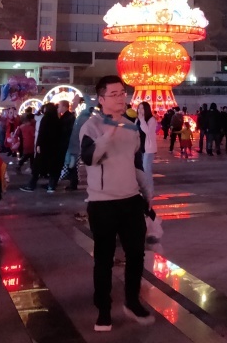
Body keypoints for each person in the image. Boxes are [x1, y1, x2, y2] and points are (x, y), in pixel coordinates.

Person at [79, 76, 154, 331]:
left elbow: (134, 163)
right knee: (104, 258)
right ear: (101, 99)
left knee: (136, 254)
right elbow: (89, 158)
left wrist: (147, 192)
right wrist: (108, 133)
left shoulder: (132, 127)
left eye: (123, 92)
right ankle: (103, 308)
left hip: (131, 201)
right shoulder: (90, 127)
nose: (122, 97)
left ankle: (132, 301)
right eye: (114, 94)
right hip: (103, 204)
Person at [22, 103, 63, 192]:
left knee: (37, 166)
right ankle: (51, 186)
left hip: (44, 147)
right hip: (54, 147)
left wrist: (38, 145)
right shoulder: (57, 119)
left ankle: (31, 185)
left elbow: (42, 133)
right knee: (52, 167)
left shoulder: (45, 118)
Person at [137, 102, 158, 178]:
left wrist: (142, 120)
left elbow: (147, 131)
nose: (140, 110)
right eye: (139, 108)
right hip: (140, 147)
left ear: (146, 109)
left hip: (148, 148)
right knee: (141, 169)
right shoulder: (138, 119)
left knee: (146, 169)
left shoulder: (151, 119)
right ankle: (144, 187)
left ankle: (149, 188)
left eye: (142, 108)